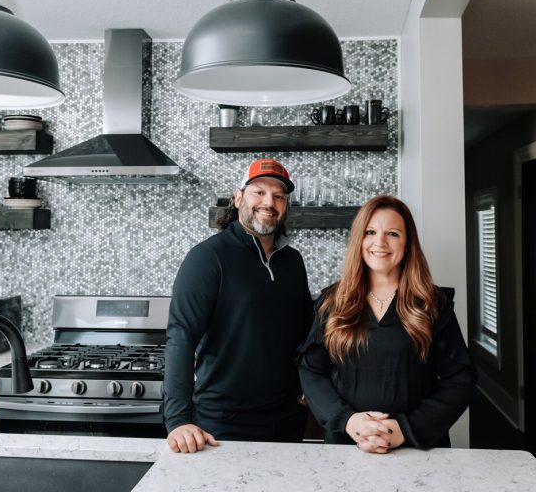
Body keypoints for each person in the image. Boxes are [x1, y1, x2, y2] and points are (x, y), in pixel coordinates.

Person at [298, 194, 477, 453]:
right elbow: (311, 371)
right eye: (370, 232)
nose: (380, 242)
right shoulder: (333, 302)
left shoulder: (432, 304)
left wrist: (402, 430)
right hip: (346, 446)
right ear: (359, 240)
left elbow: (460, 379)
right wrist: (350, 421)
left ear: (407, 244)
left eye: (392, 233)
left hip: (416, 447)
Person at [164, 158, 314, 453]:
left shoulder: (293, 262)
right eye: (258, 192)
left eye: (279, 195)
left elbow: (306, 335)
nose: (269, 202)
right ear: (238, 198)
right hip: (222, 424)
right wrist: (178, 419)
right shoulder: (208, 258)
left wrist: (310, 389)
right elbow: (181, 337)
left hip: (286, 420)